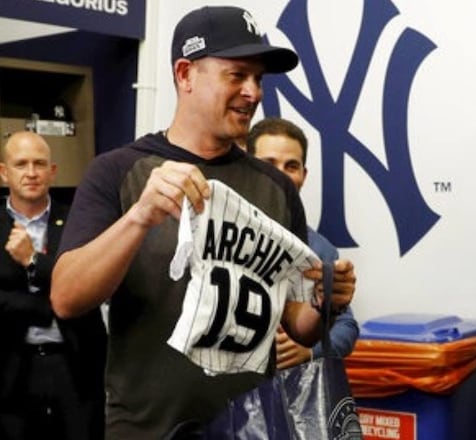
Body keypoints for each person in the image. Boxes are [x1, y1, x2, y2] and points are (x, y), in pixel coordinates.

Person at [49, 6, 355, 439]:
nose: (254, 92)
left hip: (251, 427)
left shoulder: (276, 189)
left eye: (259, 78)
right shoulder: (118, 172)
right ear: (185, 74)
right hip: (146, 428)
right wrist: (140, 217)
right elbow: (65, 298)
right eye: (237, 75)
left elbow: (297, 325)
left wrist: (327, 299)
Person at [0, 131, 106, 440]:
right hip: (10, 371)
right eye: (21, 164)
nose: (31, 173)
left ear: (53, 171)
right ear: (4, 172)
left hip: (75, 368)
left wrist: (33, 260)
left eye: (39, 163)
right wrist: (50, 306)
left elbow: (90, 284)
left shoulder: (82, 222)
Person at [247, 117, 360, 369]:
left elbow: (347, 327)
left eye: (291, 166)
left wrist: (309, 351)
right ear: (248, 167)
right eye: (269, 163)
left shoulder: (319, 249)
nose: (280, 174)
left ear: (303, 175)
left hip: (287, 395)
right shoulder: (221, 229)